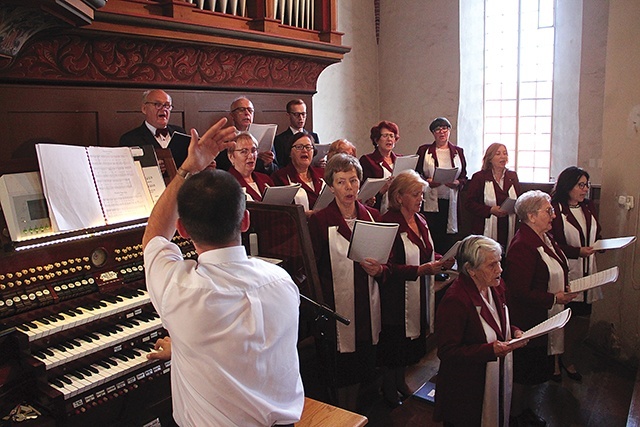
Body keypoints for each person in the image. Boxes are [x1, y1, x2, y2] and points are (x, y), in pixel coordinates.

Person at [142, 118, 304, 426]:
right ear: (244, 222)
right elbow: (245, 343)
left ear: (183, 230)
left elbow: (154, 238)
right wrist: (185, 343)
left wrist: (189, 167)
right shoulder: (282, 282)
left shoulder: (179, 290)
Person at [308, 153, 388, 412]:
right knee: (342, 369)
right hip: (337, 308)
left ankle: (362, 410)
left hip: (368, 302)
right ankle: (344, 412)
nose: (349, 188)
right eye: (341, 182)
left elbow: (388, 263)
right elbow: (313, 267)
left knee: (365, 361)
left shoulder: (373, 216)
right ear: (330, 187)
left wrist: (380, 270)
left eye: (353, 181)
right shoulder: (320, 220)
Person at [379, 170, 454, 408]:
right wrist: (420, 270)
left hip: (418, 292)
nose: (420, 199)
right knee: (395, 346)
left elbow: (425, 252)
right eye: (415, 194)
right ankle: (388, 388)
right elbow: (387, 267)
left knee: (408, 346)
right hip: (395, 298)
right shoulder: (388, 222)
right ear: (399, 197)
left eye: (421, 194)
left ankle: (400, 382)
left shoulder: (420, 220)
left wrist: (442, 260)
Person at [434, 235, 526, 427]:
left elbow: (496, 321)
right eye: (492, 265)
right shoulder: (456, 300)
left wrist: (514, 331)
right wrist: (489, 350)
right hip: (467, 390)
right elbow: (447, 352)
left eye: (499, 263)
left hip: (494, 379)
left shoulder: (495, 286)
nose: (500, 270)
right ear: (471, 270)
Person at [505, 190, 577, 426]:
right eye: (549, 211)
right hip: (529, 319)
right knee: (525, 371)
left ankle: (524, 410)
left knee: (534, 371)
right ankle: (515, 415)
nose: (553, 215)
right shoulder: (522, 245)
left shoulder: (544, 237)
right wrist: (553, 298)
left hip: (543, 315)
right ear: (532, 216)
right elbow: (518, 291)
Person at [550, 166, 602, 382]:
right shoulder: (555, 208)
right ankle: (555, 363)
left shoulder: (588, 206)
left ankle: (568, 357)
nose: (585, 189)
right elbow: (552, 242)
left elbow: (596, 232)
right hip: (568, 269)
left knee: (582, 318)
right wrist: (576, 251)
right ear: (568, 186)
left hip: (588, 268)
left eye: (587, 185)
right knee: (563, 318)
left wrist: (601, 243)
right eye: (581, 185)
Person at [416, 117, 467, 255]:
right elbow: (416, 173)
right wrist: (427, 181)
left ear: (449, 131)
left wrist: (457, 183)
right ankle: (433, 262)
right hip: (430, 199)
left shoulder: (458, 152)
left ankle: (445, 263)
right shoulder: (424, 151)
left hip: (451, 199)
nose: (441, 132)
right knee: (433, 231)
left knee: (448, 234)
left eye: (445, 128)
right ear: (433, 133)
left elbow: (464, 177)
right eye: (437, 129)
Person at [465, 143, 521, 250]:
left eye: (505, 154)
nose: (503, 157)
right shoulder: (479, 177)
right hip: (486, 225)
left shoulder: (512, 176)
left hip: (509, 224)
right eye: (498, 154)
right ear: (490, 158)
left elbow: (518, 199)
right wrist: (490, 210)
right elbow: (469, 203)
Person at [119, 89, 188, 168]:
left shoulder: (180, 132)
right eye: (158, 104)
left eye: (167, 105)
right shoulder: (129, 139)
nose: (164, 109)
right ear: (144, 109)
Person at [215, 96, 278, 174]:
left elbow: (276, 170)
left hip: (259, 181)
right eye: (241, 110)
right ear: (232, 115)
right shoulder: (224, 138)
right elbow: (220, 167)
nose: (247, 113)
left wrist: (267, 165)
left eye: (250, 110)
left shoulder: (265, 136)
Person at [272, 132, 324, 212]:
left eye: (308, 147)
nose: (304, 150)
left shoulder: (323, 174)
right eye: (299, 147)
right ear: (290, 152)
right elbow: (280, 212)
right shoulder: (280, 177)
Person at [359, 120, 401, 214]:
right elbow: (364, 191)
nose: (389, 139)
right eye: (385, 136)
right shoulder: (367, 160)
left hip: (399, 208)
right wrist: (381, 190)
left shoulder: (401, 159)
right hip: (378, 209)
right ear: (376, 140)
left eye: (392, 136)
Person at [227, 132, 274, 201]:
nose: (251, 156)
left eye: (253, 150)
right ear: (231, 157)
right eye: (244, 151)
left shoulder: (265, 179)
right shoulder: (227, 183)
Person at [274, 99, 320, 168]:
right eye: (296, 114)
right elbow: (280, 165)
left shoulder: (313, 136)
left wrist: (320, 163)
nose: (301, 118)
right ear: (288, 115)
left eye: (303, 114)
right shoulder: (279, 139)